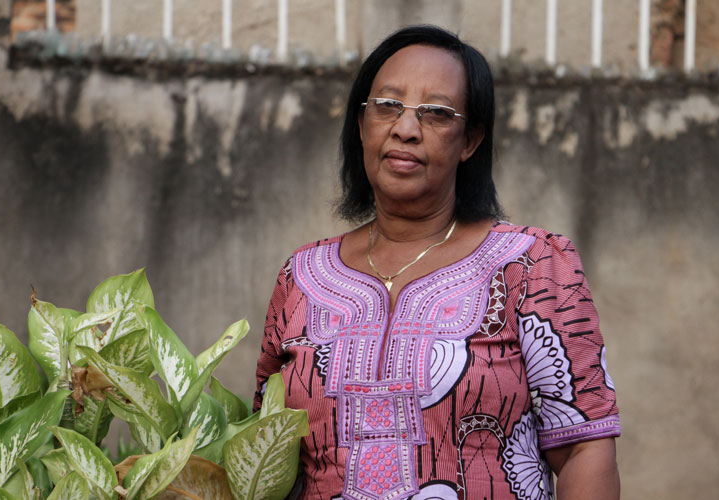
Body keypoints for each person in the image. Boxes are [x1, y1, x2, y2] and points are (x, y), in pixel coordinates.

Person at [254, 25, 620, 500]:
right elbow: (267, 458)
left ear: (469, 140)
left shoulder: (533, 265)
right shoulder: (301, 276)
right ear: (361, 125)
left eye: (436, 113)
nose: (406, 128)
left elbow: (583, 450)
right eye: (387, 106)